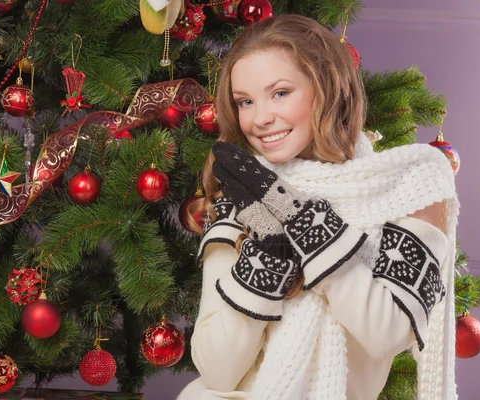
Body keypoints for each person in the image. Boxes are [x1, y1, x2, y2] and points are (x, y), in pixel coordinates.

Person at [178, 14, 458, 400]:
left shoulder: (410, 192)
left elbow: (387, 333)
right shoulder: (242, 198)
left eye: (279, 93)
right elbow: (218, 371)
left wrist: (298, 220)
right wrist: (269, 251)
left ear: (326, 86)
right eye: (245, 101)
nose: (259, 118)